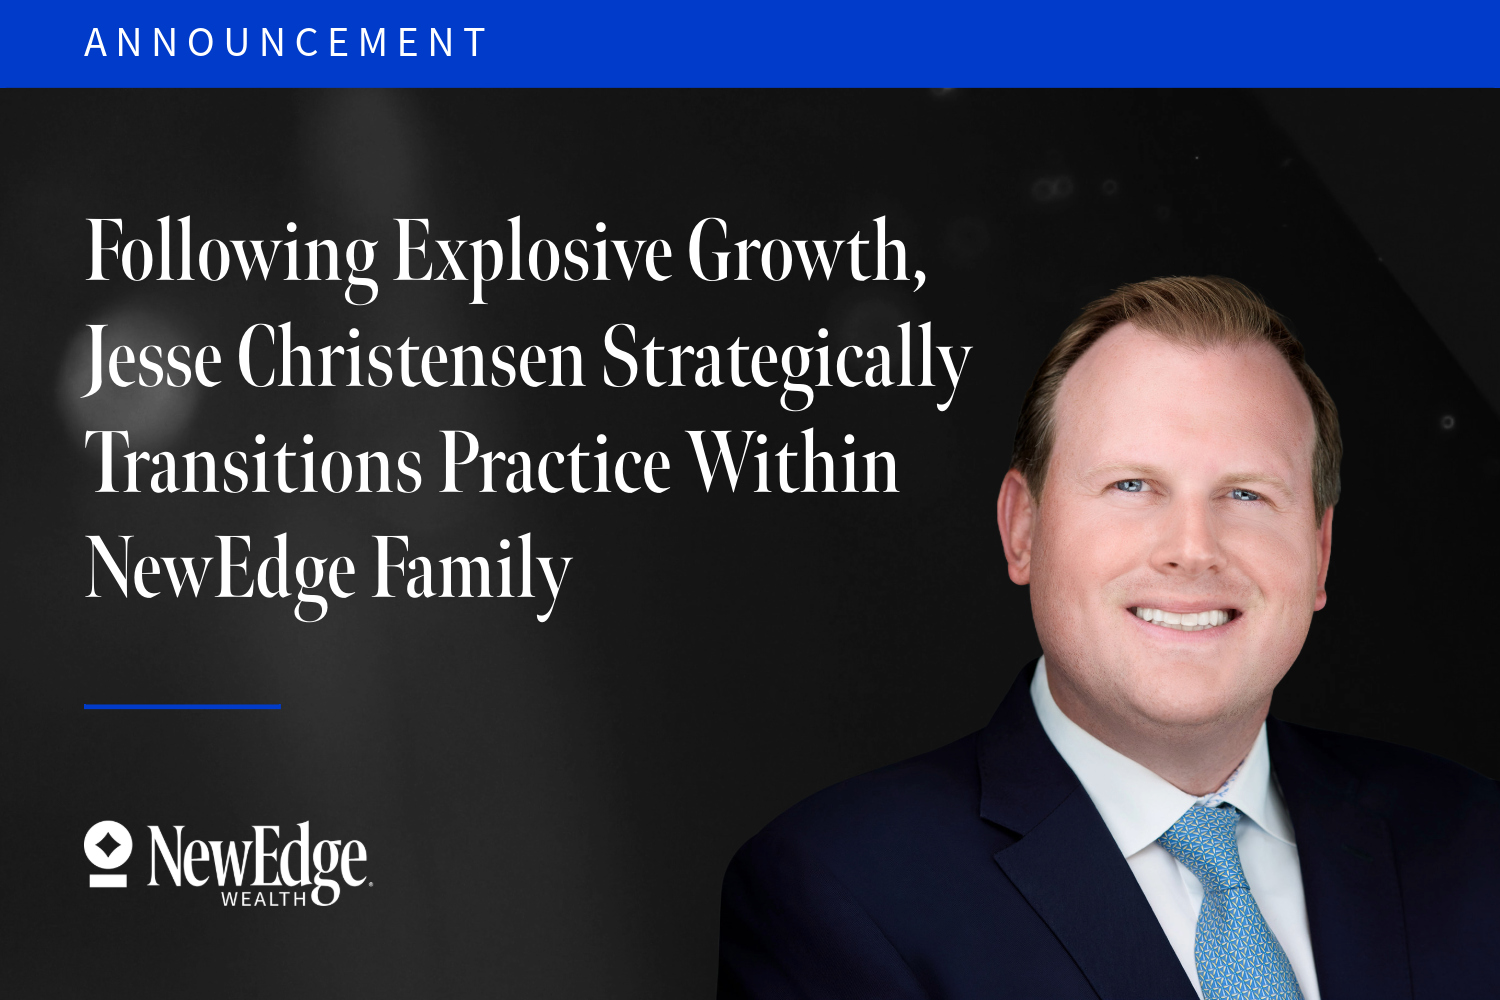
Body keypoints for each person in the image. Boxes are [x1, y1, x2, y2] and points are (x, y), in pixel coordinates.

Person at [717, 277, 1500, 999]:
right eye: (1132, 486)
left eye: (1247, 493)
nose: (1193, 547)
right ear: (1022, 528)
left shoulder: (1472, 842)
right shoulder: (839, 888)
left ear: (1320, 553)